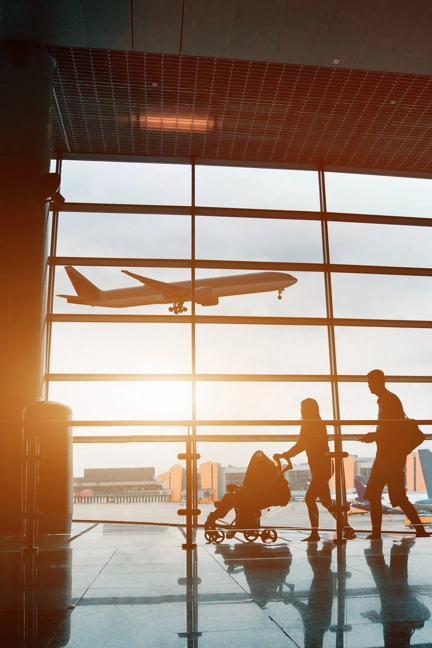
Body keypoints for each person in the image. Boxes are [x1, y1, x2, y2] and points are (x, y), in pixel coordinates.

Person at [360, 369, 429, 539]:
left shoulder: (389, 400)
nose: (368, 386)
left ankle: (417, 530)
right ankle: (380, 532)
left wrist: (374, 436)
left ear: (378, 381)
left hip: (390, 457)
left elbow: (392, 429)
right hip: (385, 456)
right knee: (381, 495)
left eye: (370, 382)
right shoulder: (383, 400)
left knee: (392, 496)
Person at [274, 398, 356, 542]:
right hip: (322, 467)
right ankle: (347, 529)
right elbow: (303, 444)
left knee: (309, 498)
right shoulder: (317, 423)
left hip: (322, 468)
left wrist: (286, 454)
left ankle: (315, 533)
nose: (301, 411)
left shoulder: (311, 424)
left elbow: (302, 444)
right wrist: (287, 454)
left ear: (308, 409)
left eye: (303, 408)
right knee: (325, 501)